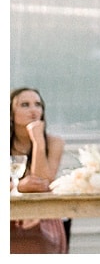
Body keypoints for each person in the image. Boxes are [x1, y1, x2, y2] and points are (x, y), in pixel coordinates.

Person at [9, 87, 69, 254]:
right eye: (25, 105)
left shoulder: (55, 142)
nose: (34, 110)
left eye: (38, 105)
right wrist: (19, 187)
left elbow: (42, 183)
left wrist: (38, 143)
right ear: (10, 112)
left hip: (42, 217)